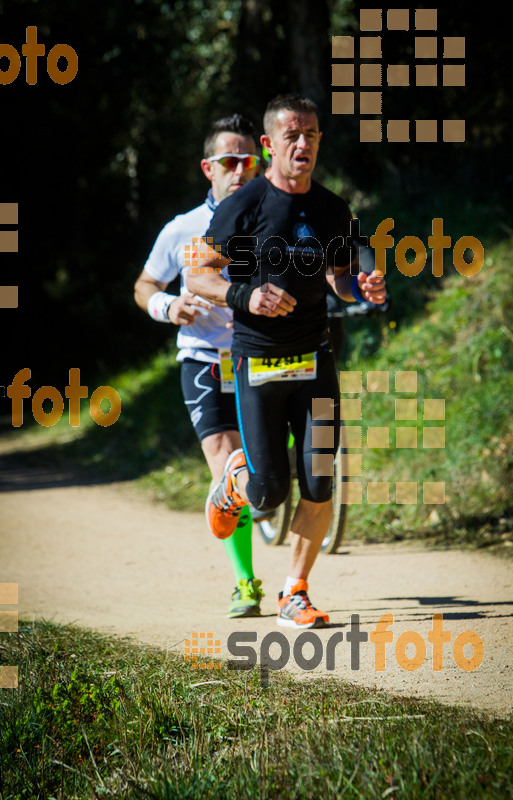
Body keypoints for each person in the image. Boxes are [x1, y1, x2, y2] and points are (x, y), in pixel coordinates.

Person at [187, 94, 387, 629]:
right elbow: (199, 274)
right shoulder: (245, 205)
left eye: (313, 135)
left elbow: (341, 277)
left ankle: (294, 592)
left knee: (320, 480)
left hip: (315, 360)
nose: (303, 144)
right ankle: (232, 487)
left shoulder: (331, 209)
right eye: (292, 136)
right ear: (269, 145)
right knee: (268, 492)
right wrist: (243, 296)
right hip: (258, 364)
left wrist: (361, 287)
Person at [134, 114, 265, 618]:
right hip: (205, 359)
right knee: (227, 465)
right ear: (208, 168)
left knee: (261, 464)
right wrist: (167, 307)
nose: (239, 170)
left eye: (248, 160)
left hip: (265, 358)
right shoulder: (182, 229)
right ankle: (246, 582)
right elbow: (144, 285)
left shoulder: (271, 218)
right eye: (229, 161)